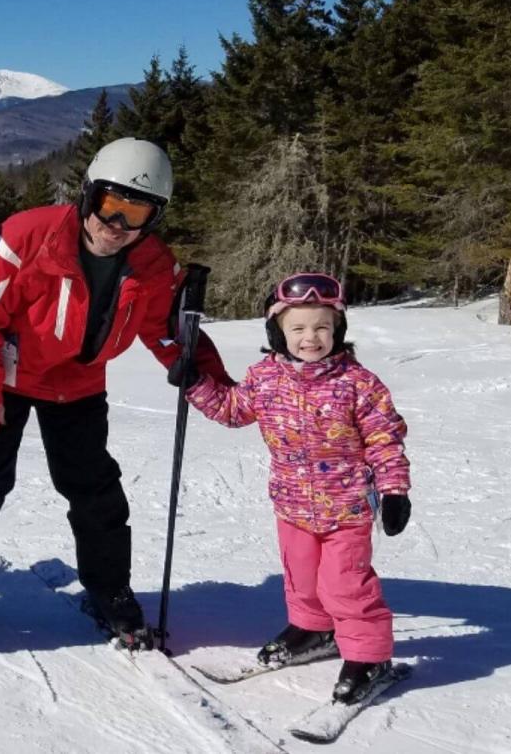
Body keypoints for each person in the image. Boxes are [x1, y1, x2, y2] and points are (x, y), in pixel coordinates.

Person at [0, 138, 234, 646]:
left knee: (93, 488)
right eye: (110, 205)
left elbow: (165, 330)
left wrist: (208, 382)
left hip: (78, 383)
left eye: (135, 214)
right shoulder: (27, 236)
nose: (116, 225)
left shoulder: (153, 263)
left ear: (154, 218)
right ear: (88, 194)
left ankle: (110, 589)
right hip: (8, 377)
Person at [184, 272, 412, 704]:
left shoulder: (358, 383)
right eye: (299, 328)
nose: (311, 338)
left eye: (322, 327)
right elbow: (232, 410)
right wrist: (196, 384)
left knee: (345, 585)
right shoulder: (265, 377)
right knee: (302, 579)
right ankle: (313, 629)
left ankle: (369, 655)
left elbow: (384, 439)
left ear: (338, 329)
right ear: (278, 332)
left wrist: (395, 490)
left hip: (347, 508)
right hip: (291, 506)